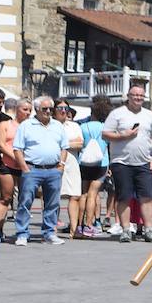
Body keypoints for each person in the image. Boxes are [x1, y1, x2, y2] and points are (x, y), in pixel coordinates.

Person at [103, 83, 152, 243]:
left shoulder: (149, 115)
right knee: (124, 197)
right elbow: (105, 134)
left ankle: (149, 229)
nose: (138, 98)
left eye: (141, 96)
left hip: (143, 162)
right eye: (135, 95)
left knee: (147, 197)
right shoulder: (117, 114)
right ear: (128, 96)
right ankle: (126, 230)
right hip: (121, 162)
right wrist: (123, 135)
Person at [12, 96, 68, 246]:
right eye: (45, 109)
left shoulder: (57, 125)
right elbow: (17, 148)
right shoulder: (26, 125)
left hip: (53, 170)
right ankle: (22, 233)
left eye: (51, 109)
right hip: (32, 169)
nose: (48, 111)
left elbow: (64, 147)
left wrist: (61, 165)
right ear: (37, 109)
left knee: (52, 203)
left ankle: (49, 232)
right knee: (25, 201)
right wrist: (24, 168)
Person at [77, 97, 110, 238]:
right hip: (101, 164)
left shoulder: (83, 127)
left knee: (84, 194)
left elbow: (80, 144)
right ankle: (90, 225)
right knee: (93, 194)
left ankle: (79, 225)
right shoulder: (106, 129)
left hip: (84, 162)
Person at [54, 99, 84, 236]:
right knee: (54, 196)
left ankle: (74, 229)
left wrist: (63, 144)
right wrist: (69, 143)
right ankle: (52, 228)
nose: (64, 110)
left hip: (72, 163)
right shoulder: (50, 125)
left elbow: (80, 143)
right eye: (60, 108)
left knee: (75, 195)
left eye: (66, 108)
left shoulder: (73, 126)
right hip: (55, 162)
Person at [0, 89, 19, 237]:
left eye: (2, 102)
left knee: (5, 196)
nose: (0, 105)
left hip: (2, 161)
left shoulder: (6, 119)